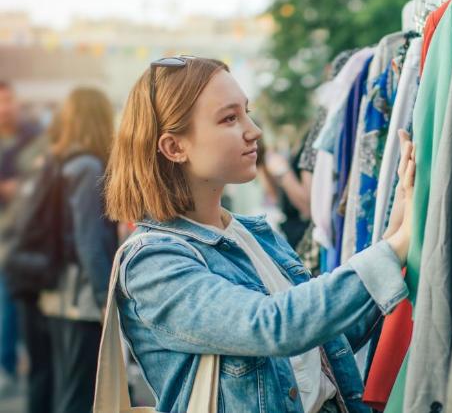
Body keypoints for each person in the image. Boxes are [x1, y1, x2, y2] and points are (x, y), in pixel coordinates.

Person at [104, 56, 415, 413]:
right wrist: (392, 250)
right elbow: (274, 325)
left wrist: (397, 226)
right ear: (175, 147)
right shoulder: (152, 262)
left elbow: (327, 340)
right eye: (229, 118)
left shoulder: (253, 234)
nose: (254, 131)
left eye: (246, 113)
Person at [36, 87, 118, 412]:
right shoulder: (87, 167)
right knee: (80, 392)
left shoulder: (62, 161)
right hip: (80, 297)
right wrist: (104, 299)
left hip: (58, 291)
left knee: (67, 387)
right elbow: (89, 240)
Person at [0, 81, 45, 399]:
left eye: (10, 100)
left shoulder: (35, 137)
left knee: (12, 304)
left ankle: (9, 367)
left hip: (23, 237)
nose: (7, 107)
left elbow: (43, 177)